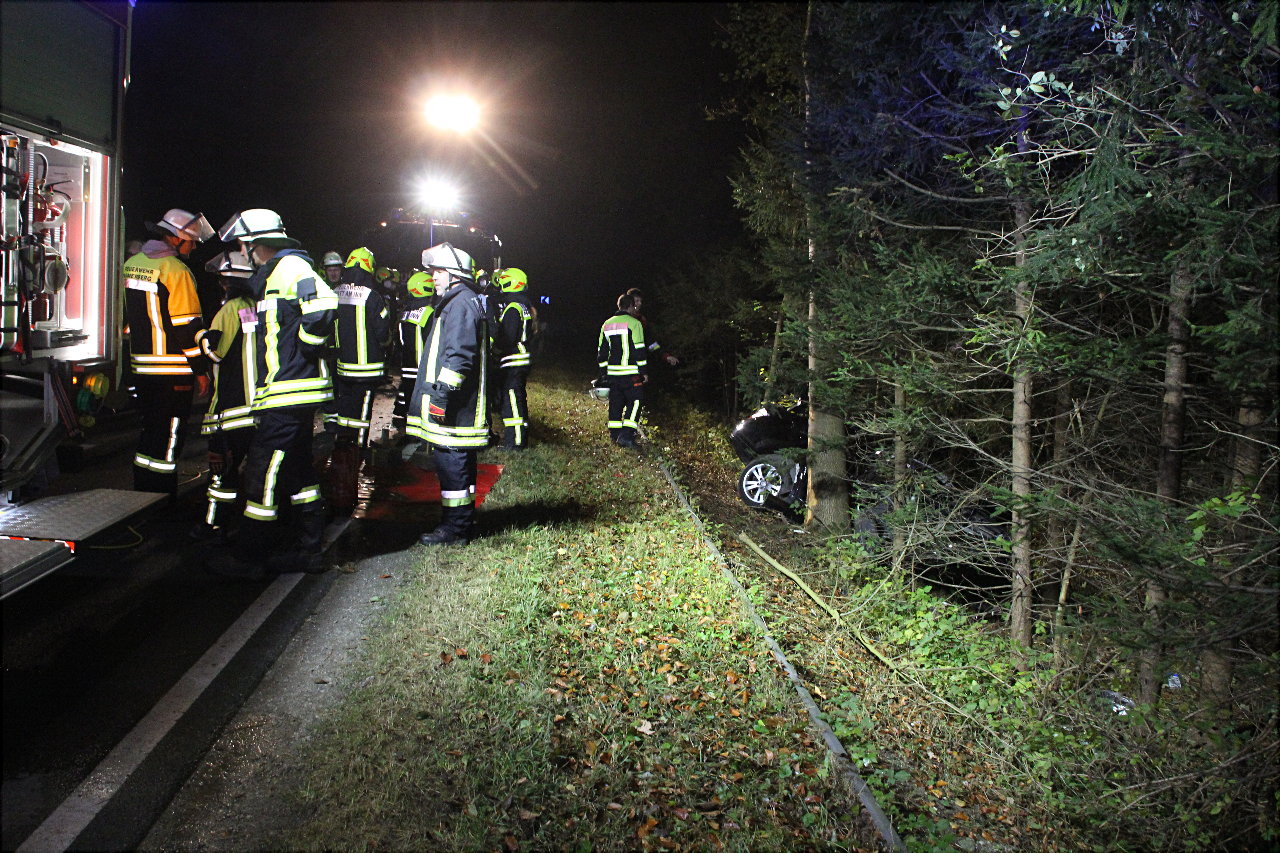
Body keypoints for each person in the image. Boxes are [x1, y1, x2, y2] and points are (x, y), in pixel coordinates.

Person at [208, 209, 337, 578]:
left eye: (242, 244)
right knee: (298, 472)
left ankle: (250, 557)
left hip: (289, 391)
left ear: (255, 244)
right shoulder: (277, 273)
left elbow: (324, 307)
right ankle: (309, 550)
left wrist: (303, 350)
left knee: (261, 474)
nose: (241, 251)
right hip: (288, 392)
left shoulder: (289, 267)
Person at [122, 208, 214, 495]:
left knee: (150, 431)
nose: (194, 247)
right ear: (176, 238)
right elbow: (187, 327)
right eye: (192, 241)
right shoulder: (176, 271)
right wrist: (201, 370)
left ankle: (142, 493)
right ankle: (162, 499)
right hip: (172, 370)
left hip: (141, 368)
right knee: (170, 436)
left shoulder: (132, 264)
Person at [406, 242, 488, 546]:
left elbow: (459, 358)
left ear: (455, 274)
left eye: (439, 271)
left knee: (452, 466)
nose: (433, 277)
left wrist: (441, 397)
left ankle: (454, 530)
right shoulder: (462, 301)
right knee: (458, 466)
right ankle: (462, 522)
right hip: (459, 404)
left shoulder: (460, 303)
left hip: (455, 407)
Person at [190, 250, 258, 542]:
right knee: (257, 471)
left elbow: (216, 352)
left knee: (222, 473)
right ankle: (253, 528)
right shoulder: (258, 308)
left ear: (228, 282)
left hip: (232, 408)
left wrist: (199, 336)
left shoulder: (228, 311)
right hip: (260, 407)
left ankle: (214, 525)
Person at [325, 247, 390, 508]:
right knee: (363, 411)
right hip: (368, 367)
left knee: (346, 407)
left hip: (343, 366)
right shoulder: (372, 296)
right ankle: (358, 450)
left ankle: (343, 441)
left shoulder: (335, 293)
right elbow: (383, 330)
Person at [597, 291, 648, 448]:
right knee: (637, 401)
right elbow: (639, 350)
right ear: (631, 306)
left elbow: (601, 353)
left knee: (616, 403)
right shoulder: (635, 324)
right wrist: (643, 372)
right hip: (630, 373)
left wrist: (603, 374)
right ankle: (626, 435)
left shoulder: (606, 324)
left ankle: (615, 434)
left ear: (618, 306)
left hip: (613, 373)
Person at [491, 267, 533, 449]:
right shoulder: (523, 306)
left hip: (513, 360)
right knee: (518, 399)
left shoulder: (513, 308)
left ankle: (514, 442)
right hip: (521, 359)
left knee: (511, 401)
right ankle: (520, 436)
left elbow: (507, 338)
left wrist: (494, 346)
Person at [392, 269, 436, 437]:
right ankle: (419, 438)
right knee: (422, 405)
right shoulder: (430, 313)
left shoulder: (405, 313)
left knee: (409, 402)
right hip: (423, 368)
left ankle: (409, 435)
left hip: (407, 366)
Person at [625, 287, 680, 368]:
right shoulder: (619, 320)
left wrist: (665, 356)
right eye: (637, 301)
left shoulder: (641, 320)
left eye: (640, 301)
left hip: (638, 365)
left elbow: (650, 343)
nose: (640, 304)